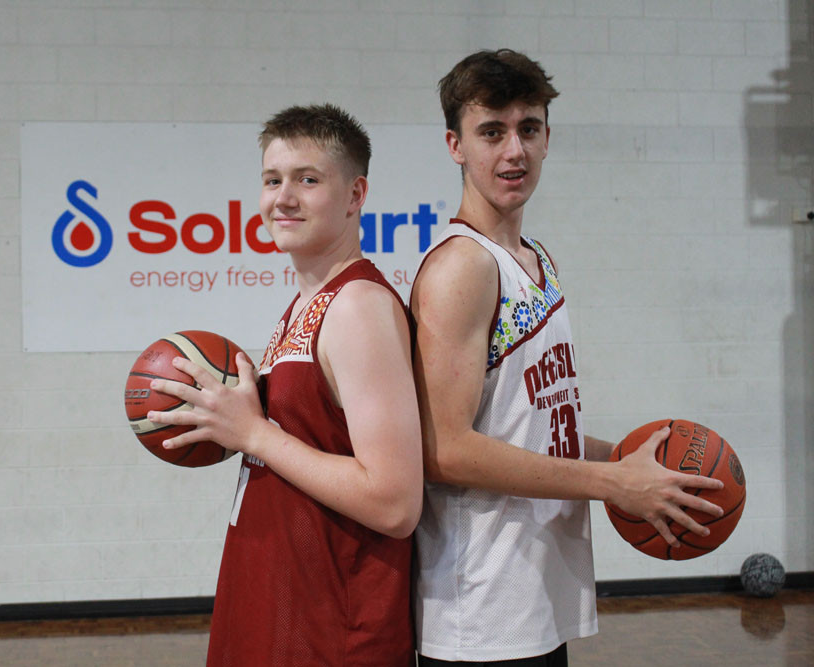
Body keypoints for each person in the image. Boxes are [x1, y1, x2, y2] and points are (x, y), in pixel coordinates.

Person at [411, 49, 725, 666]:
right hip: (479, 611)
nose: (514, 152)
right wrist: (611, 484)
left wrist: (629, 457)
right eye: (491, 132)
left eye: (528, 128)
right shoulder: (461, 267)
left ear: (548, 137)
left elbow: (522, 424)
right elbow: (442, 448)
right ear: (455, 145)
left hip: (533, 594)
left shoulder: (535, 259)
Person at [147, 103, 423, 666]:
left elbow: (395, 502)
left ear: (355, 195)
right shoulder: (304, 305)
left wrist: (255, 434)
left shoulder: (359, 307)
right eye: (272, 180)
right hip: (281, 612)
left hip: (334, 635)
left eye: (308, 179)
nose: (284, 197)